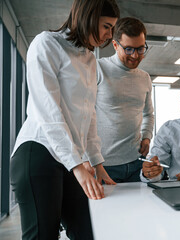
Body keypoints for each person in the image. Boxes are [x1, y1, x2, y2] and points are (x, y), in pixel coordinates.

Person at [10, 0, 119, 239]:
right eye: (106, 26)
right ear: (88, 17)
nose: (110, 35)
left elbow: (89, 115)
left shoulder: (90, 60)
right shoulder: (46, 44)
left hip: (72, 160)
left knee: (88, 232)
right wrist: (78, 167)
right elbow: (48, 111)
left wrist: (97, 164)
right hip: (39, 152)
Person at [95, 17, 154, 183]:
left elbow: (148, 114)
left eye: (140, 49)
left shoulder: (144, 78)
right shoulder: (98, 69)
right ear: (115, 45)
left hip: (136, 163)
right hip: (103, 165)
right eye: (128, 49)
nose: (135, 56)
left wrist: (147, 137)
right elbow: (83, 117)